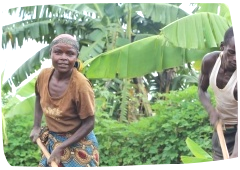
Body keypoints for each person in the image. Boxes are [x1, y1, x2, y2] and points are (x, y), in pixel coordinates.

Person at [29, 34, 99, 169]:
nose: (63, 58)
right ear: (51, 53)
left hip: (79, 142)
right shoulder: (43, 76)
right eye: (58, 52)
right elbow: (39, 97)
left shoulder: (81, 85)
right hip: (54, 139)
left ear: (76, 56)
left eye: (70, 54)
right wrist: (37, 126)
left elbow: (89, 123)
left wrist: (62, 146)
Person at [198, 25, 238, 168]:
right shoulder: (210, 61)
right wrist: (211, 111)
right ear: (222, 47)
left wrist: (236, 155)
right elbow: (202, 90)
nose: (237, 59)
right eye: (232, 52)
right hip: (221, 129)